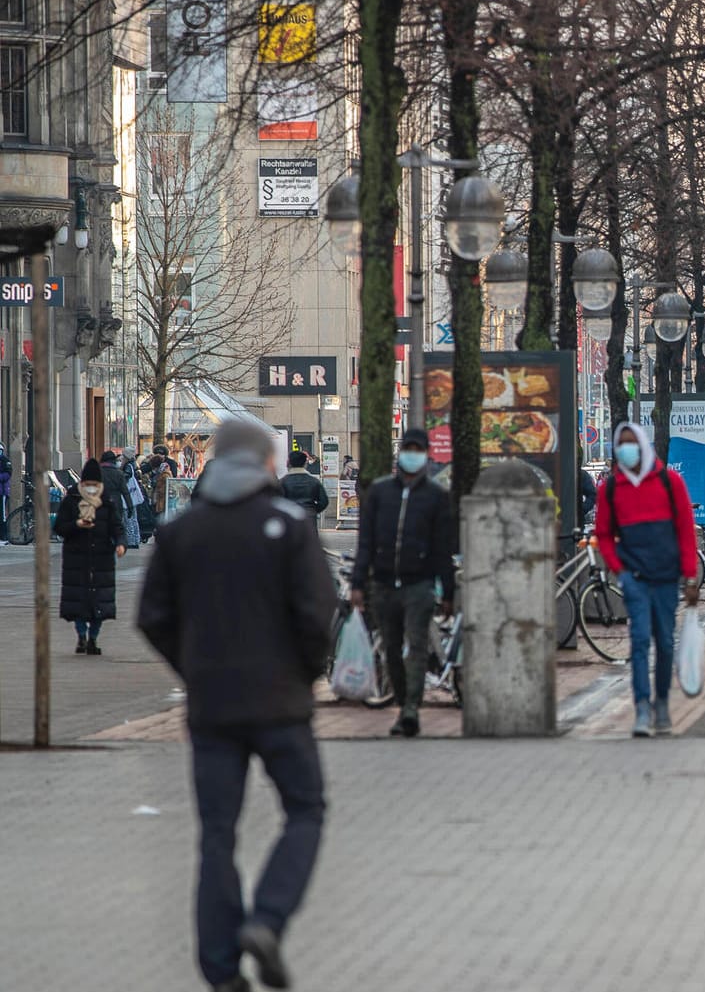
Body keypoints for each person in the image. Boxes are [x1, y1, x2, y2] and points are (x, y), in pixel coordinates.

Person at [138, 419, 335, 992]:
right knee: (305, 808)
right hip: (281, 705)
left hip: (213, 708)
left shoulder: (182, 533)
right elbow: (317, 613)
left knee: (217, 833)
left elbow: (153, 617)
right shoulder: (290, 527)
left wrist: (194, 668)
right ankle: (268, 919)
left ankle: (221, 970)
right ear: (265, 464)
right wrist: (302, 675)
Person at [593, 422, 700, 737]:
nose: (625, 449)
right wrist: (618, 569)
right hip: (634, 577)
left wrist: (690, 576)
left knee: (665, 642)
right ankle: (642, 706)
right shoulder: (610, 489)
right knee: (639, 640)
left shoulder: (670, 483)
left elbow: (685, 530)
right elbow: (603, 533)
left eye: (631, 443)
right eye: (620, 444)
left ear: (642, 445)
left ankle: (662, 702)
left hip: (666, 577)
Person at [348, 429, 457, 738]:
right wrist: (359, 582)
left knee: (417, 645)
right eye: (407, 448)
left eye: (417, 449)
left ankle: (410, 709)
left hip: (419, 584)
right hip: (383, 583)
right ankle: (401, 699)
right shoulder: (380, 493)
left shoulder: (436, 496)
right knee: (390, 649)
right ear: (400, 453)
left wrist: (447, 591)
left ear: (425, 455)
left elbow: (442, 549)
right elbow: (365, 541)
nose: (412, 454)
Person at [53, 459, 125, 656]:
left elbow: (117, 526)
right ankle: (81, 636)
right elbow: (59, 527)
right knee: (78, 601)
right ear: (82, 483)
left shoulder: (107, 502)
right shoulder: (71, 500)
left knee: (100, 601)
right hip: (77, 558)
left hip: (102, 558)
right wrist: (77, 524)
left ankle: (93, 638)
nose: (92, 488)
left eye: (95, 485)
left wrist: (120, 543)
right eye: (88, 485)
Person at [279, 451, 330, 521]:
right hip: (309, 519)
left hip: (289, 520)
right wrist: (313, 510)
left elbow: (276, 501)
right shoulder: (314, 481)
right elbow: (324, 501)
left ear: (288, 464)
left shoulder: (282, 482)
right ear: (305, 464)